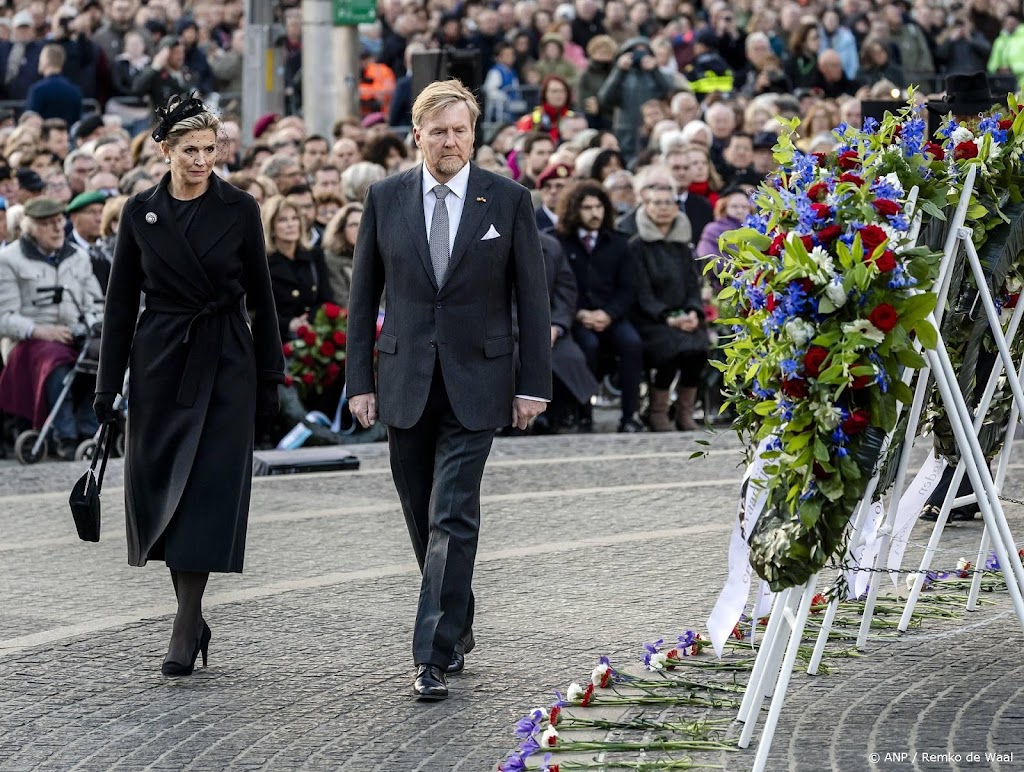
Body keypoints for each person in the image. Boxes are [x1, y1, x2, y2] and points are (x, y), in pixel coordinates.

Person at [346, 79, 551, 701]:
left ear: (474, 134)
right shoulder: (385, 199)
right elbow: (362, 300)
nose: (450, 141)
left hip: (478, 381)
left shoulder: (508, 199)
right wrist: (359, 382)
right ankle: (454, 616)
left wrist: (533, 386)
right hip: (403, 377)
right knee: (421, 514)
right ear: (418, 136)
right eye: (438, 131)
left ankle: (430, 654)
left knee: (451, 512)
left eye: (460, 130)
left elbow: (531, 299)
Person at [94, 94, 285, 677]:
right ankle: (190, 614)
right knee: (165, 493)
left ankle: (185, 621)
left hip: (226, 359)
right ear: (164, 150)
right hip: (160, 362)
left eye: (210, 149)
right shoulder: (138, 212)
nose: (203, 160)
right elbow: (120, 303)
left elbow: (263, 296)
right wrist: (107, 388)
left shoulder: (241, 207)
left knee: (208, 491)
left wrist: (271, 375)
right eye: (190, 150)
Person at [0, 197, 102, 460]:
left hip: (73, 331)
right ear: (30, 228)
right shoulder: (9, 259)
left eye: (59, 221)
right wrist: (39, 330)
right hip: (27, 340)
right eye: (47, 224)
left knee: (100, 354)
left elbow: (95, 303)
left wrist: (92, 324)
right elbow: (4, 316)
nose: (57, 229)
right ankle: (64, 435)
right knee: (55, 361)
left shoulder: (78, 257)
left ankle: (89, 430)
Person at [555, 180, 644, 433]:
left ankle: (630, 415)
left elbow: (628, 288)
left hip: (611, 315)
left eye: (598, 207)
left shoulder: (618, 242)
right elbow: (560, 286)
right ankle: (584, 414)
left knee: (632, 344)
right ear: (574, 210)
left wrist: (609, 314)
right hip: (577, 317)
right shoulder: (560, 242)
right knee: (588, 346)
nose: (594, 213)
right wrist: (580, 313)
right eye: (587, 207)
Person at [628, 182, 709, 431]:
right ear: (645, 206)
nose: (662, 208)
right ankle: (657, 410)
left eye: (667, 202)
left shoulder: (682, 246)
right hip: (651, 320)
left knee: (698, 350)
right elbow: (641, 291)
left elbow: (692, 285)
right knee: (670, 350)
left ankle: (685, 411)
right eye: (656, 202)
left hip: (683, 315)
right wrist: (667, 317)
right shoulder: (637, 246)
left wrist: (694, 312)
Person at [262, 193, 334, 342]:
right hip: (279, 341)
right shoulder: (263, 262)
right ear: (272, 228)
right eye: (282, 220)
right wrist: (289, 324)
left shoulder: (314, 255)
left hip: (313, 336)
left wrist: (308, 321)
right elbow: (258, 310)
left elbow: (326, 298)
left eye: (294, 219)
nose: (290, 224)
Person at [25, 44, 82, 126]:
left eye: (41, 58)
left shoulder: (38, 90)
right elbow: (76, 122)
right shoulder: (75, 91)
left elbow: (30, 121)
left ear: (45, 61)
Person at [321, 202, 362, 309]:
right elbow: (341, 299)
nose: (360, 229)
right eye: (353, 225)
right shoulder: (331, 258)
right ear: (341, 228)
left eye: (364, 224)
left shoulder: (378, 256)